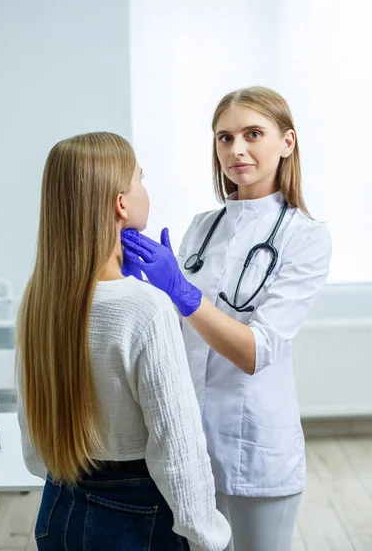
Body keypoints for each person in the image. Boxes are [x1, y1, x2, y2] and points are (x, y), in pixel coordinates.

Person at [121, 86, 332, 551]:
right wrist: (147, 292)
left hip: (255, 445)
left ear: (287, 143)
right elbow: (179, 333)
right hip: (187, 443)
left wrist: (182, 291)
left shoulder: (307, 238)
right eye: (224, 137)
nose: (236, 150)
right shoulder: (201, 226)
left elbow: (256, 352)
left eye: (253, 134)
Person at [16, 132, 231, 551]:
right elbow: (177, 444)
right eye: (140, 178)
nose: (144, 189)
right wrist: (207, 536)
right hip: (136, 517)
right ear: (121, 203)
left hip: (58, 507)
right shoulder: (145, 307)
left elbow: (32, 440)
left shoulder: (38, 297)